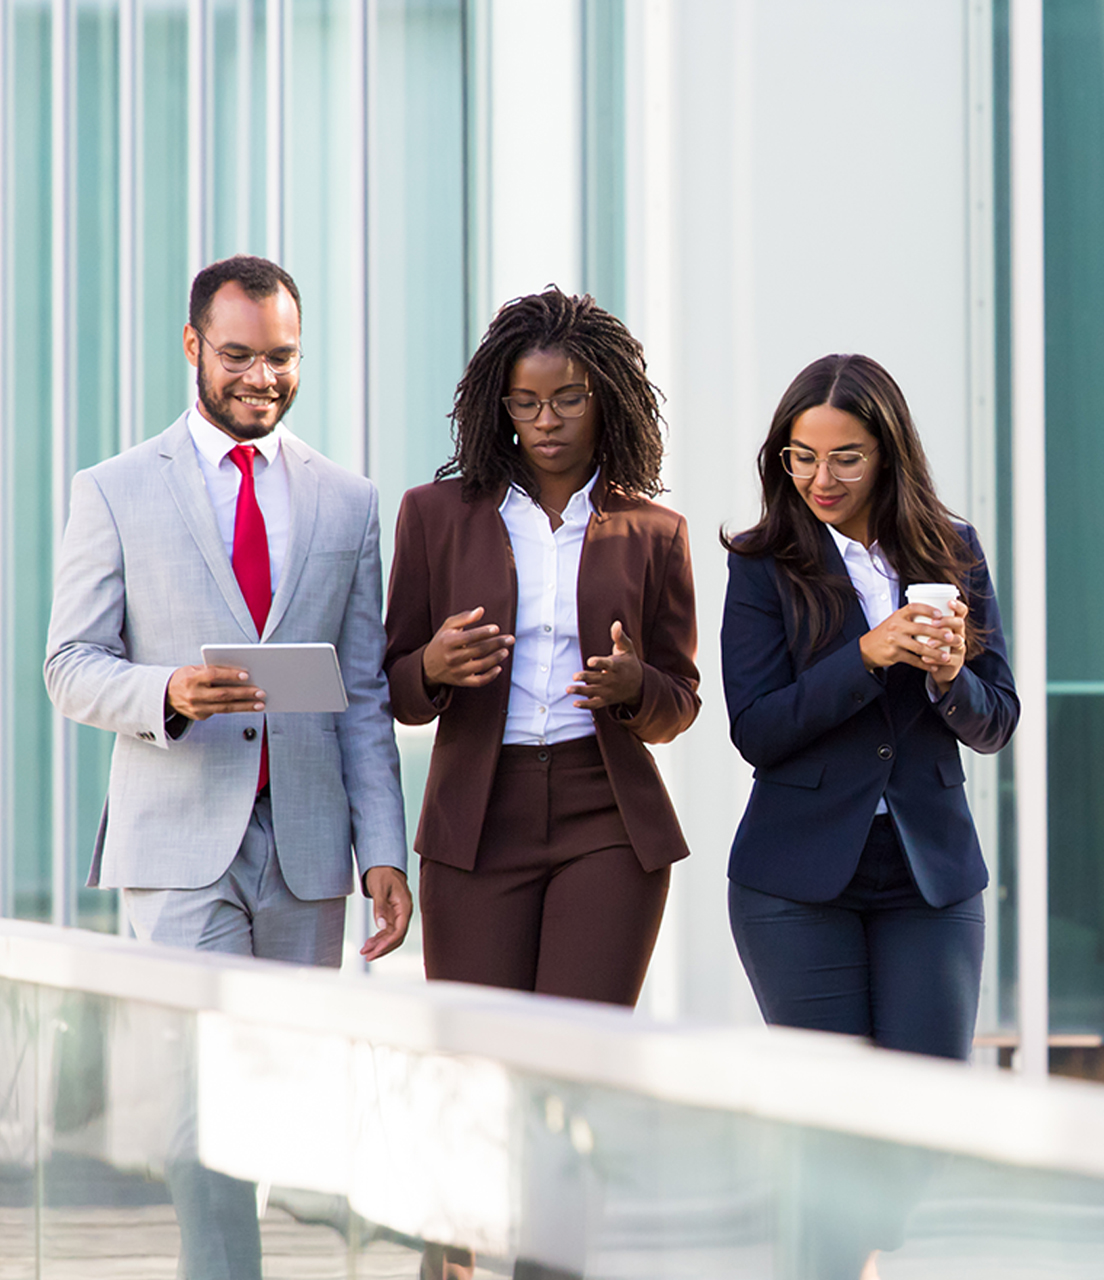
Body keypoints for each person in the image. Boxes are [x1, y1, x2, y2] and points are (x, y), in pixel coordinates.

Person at [44, 254, 410, 1280]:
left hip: (305, 850)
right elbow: (68, 665)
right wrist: (167, 692)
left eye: (283, 357)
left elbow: (365, 691)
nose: (264, 376)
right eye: (241, 354)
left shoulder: (347, 500)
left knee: (283, 1110)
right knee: (204, 1119)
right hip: (177, 845)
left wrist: (383, 849)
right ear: (196, 346)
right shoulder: (112, 489)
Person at [384, 286, 700, 1009]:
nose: (546, 420)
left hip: (608, 819)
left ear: (606, 399)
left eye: (568, 399)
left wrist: (634, 688)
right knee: (479, 1061)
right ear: (500, 406)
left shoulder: (656, 532)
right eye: (525, 402)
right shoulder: (434, 517)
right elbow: (394, 690)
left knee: (580, 1058)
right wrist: (431, 667)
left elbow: (677, 705)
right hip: (478, 821)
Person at [721, 352, 1019, 1061]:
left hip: (930, 878)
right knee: (832, 1121)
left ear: (888, 454)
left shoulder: (955, 550)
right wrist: (864, 656)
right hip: (797, 880)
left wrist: (951, 677)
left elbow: (997, 720)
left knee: (927, 1108)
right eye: (803, 457)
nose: (822, 480)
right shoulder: (763, 563)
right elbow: (757, 728)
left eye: (846, 459)